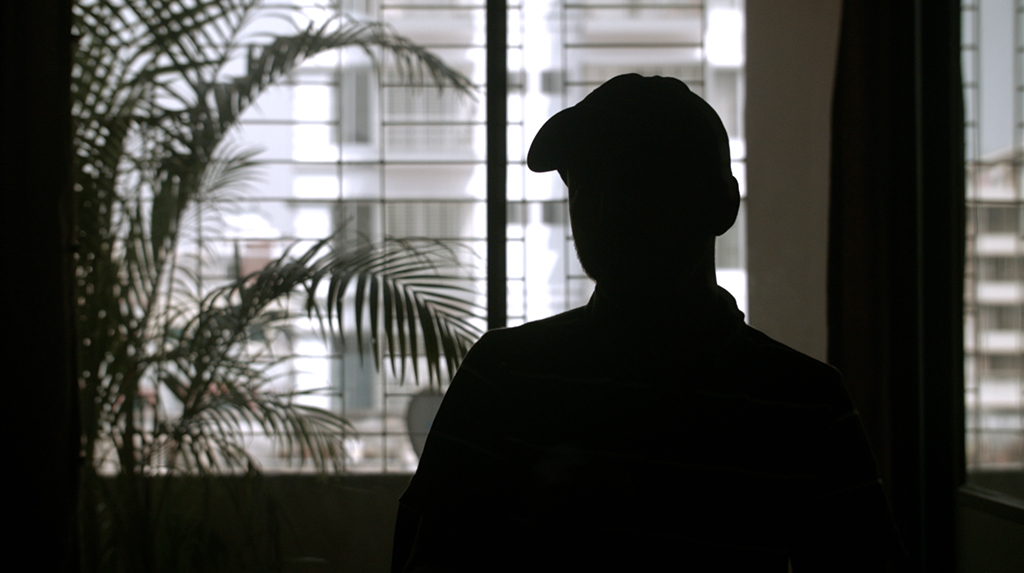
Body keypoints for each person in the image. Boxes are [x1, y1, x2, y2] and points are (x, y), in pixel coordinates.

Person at [391, 74, 902, 572]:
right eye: (587, 182)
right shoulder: (801, 401)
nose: (606, 207)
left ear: (721, 204)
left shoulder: (509, 375)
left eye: (641, 180)